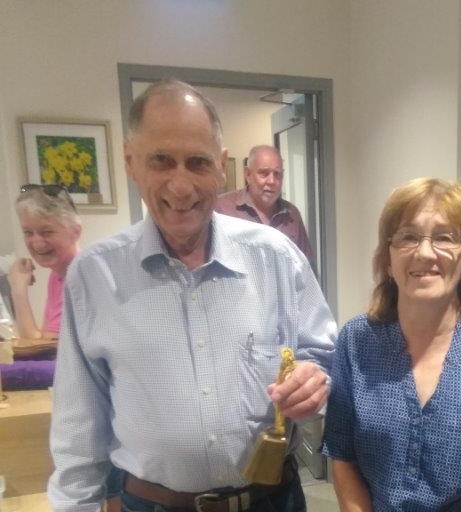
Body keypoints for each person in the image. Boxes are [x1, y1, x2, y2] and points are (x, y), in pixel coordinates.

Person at [47, 79, 337, 512]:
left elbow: (323, 354)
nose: (180, 186)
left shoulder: (276, 257)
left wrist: (317, 382)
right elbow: (77, 434)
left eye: (197, 163)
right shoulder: (93, 277)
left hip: (271, 501)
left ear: (221, 166)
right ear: (131, 161)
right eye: (161, 160)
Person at [322, 177, 461, 511]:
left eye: (444, 238)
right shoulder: (356, 341)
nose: (425, 252)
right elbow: (343, 455)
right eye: (409, 237)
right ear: (388, 258)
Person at [0, 184, 81, 390]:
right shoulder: (57, 275)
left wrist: (18, 290)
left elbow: (37, 347)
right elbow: (43, 342)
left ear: (75, 231)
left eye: (47, 231)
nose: (36, 242)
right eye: (28, 232)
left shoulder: (80, 276)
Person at [215, 145, 314, 265]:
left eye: (277, 174)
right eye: (264, 173)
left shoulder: (292, 214)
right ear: (248, 174)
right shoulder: (221, 208)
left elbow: (305, 265)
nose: (271, 181)